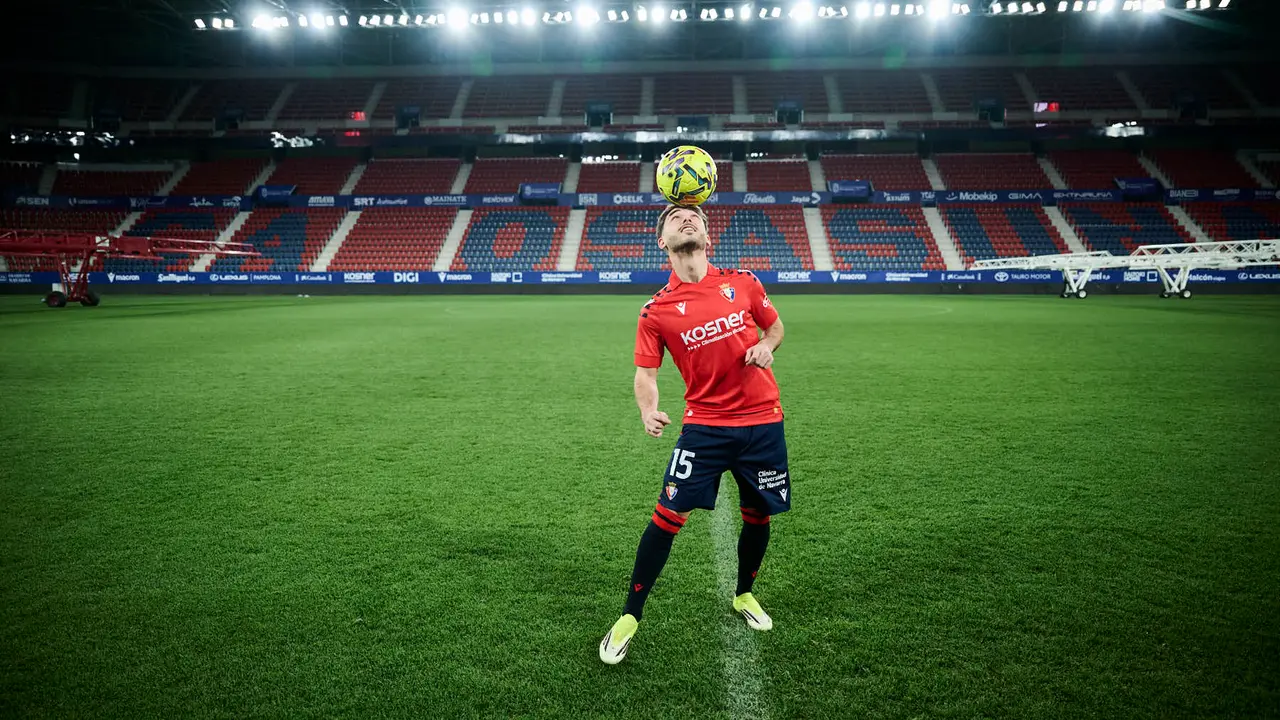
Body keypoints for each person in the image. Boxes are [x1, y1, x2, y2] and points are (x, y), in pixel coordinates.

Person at [599, 203, 791, 665]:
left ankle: (745, 594)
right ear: (661, 241)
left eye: (696, 217)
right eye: (674, 218)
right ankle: (630, 616)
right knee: (666, 517)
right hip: (703, 427)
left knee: (758, 514)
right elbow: (645, 374)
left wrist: (766, 346)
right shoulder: (656, 311)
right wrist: (648, 410)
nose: (687, 220)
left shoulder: (744, 282)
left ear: (709, 236)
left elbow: (776, 326)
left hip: (763, 422)